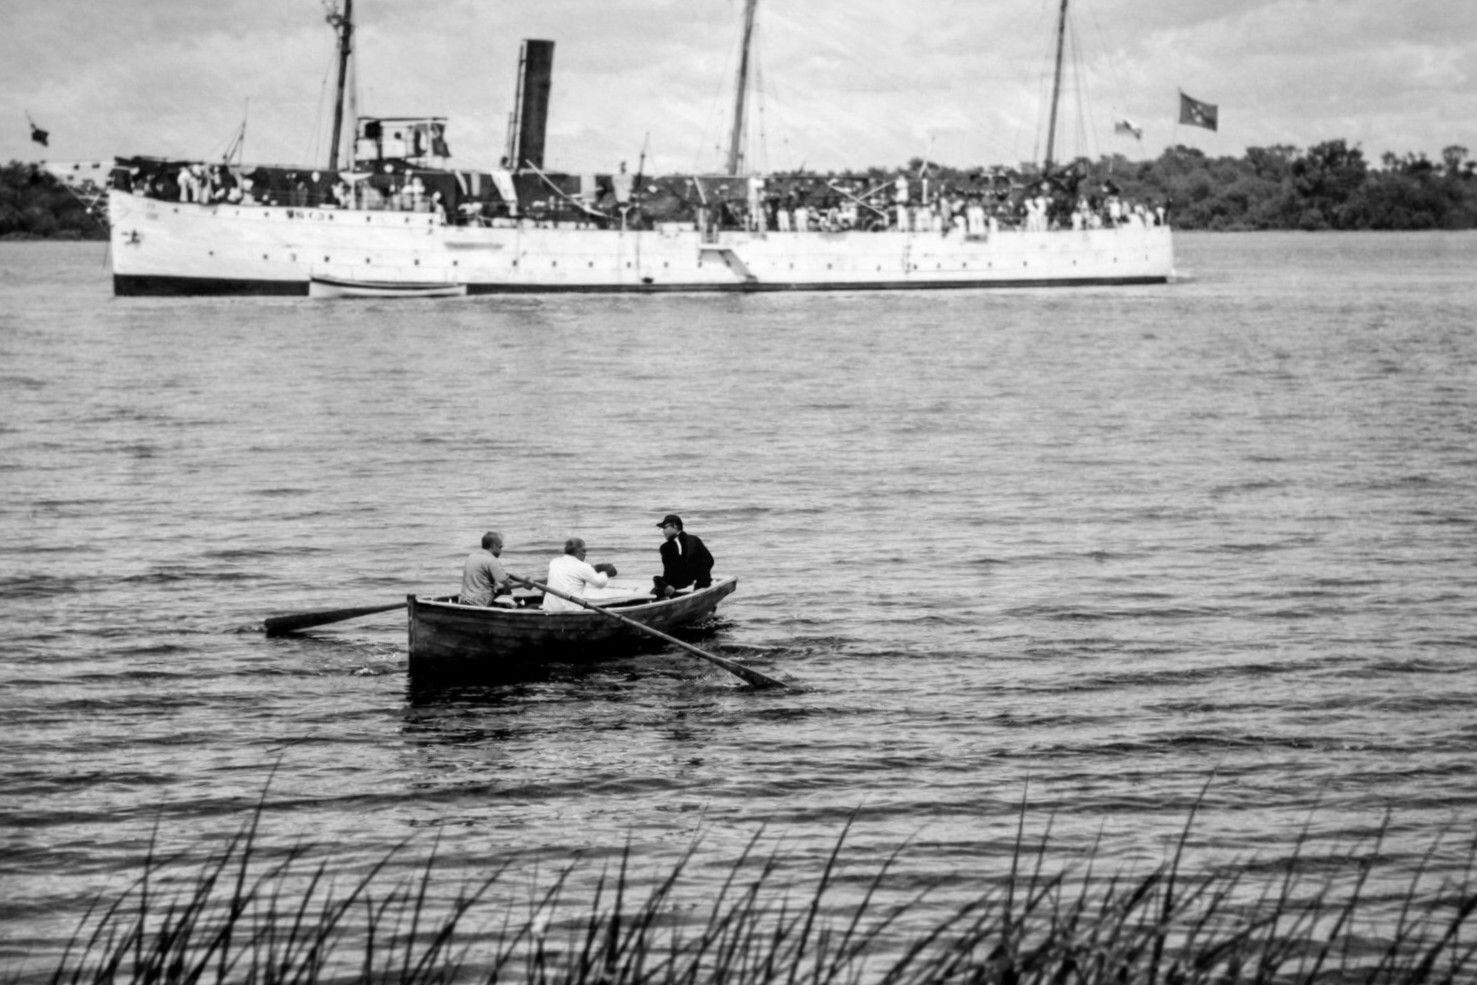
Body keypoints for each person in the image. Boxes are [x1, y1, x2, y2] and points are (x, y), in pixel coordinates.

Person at [542, 537, 618, 611]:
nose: (585, 554)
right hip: (571, 610)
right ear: (579, 552)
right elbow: (600, 583)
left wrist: (595, 568)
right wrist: (605, 573)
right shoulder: (584, 567)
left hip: (549, 609)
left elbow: (573, 570)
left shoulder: (554, 562)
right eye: (584, 551)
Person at [653, 514, 714, 598]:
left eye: (665, 528)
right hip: (702, 582)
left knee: (657, 579)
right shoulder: (694, 539)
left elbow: (670, 573)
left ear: (675, 526)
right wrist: (701, 580)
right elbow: (710, 560)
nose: (663, 531)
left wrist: (664, 585)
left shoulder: (666, 547)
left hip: (681, 584)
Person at [459, 531, 519, 606]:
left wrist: (521, 581)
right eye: (500, 547)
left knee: (497, 587)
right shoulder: (492, 560)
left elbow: (503, 576)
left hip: (464, 600)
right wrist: (510, 593)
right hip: (479, 602)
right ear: (493, 546)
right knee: (508, 598)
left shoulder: (471, 556)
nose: (501, 551)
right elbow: (505, 583)